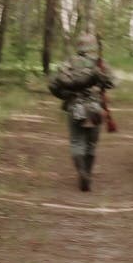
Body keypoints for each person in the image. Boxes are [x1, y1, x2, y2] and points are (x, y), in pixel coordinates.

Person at [48, 33, 116, 192]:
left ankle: (82, 172)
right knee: (91, 144)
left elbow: (53, 85)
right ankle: (88, 173)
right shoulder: (101, 64)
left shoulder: (69, 63)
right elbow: (113, 82)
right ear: (93, 47)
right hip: (95, 107)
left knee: (77, 141)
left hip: (74, 105)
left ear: (78, 46)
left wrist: (65, 95)